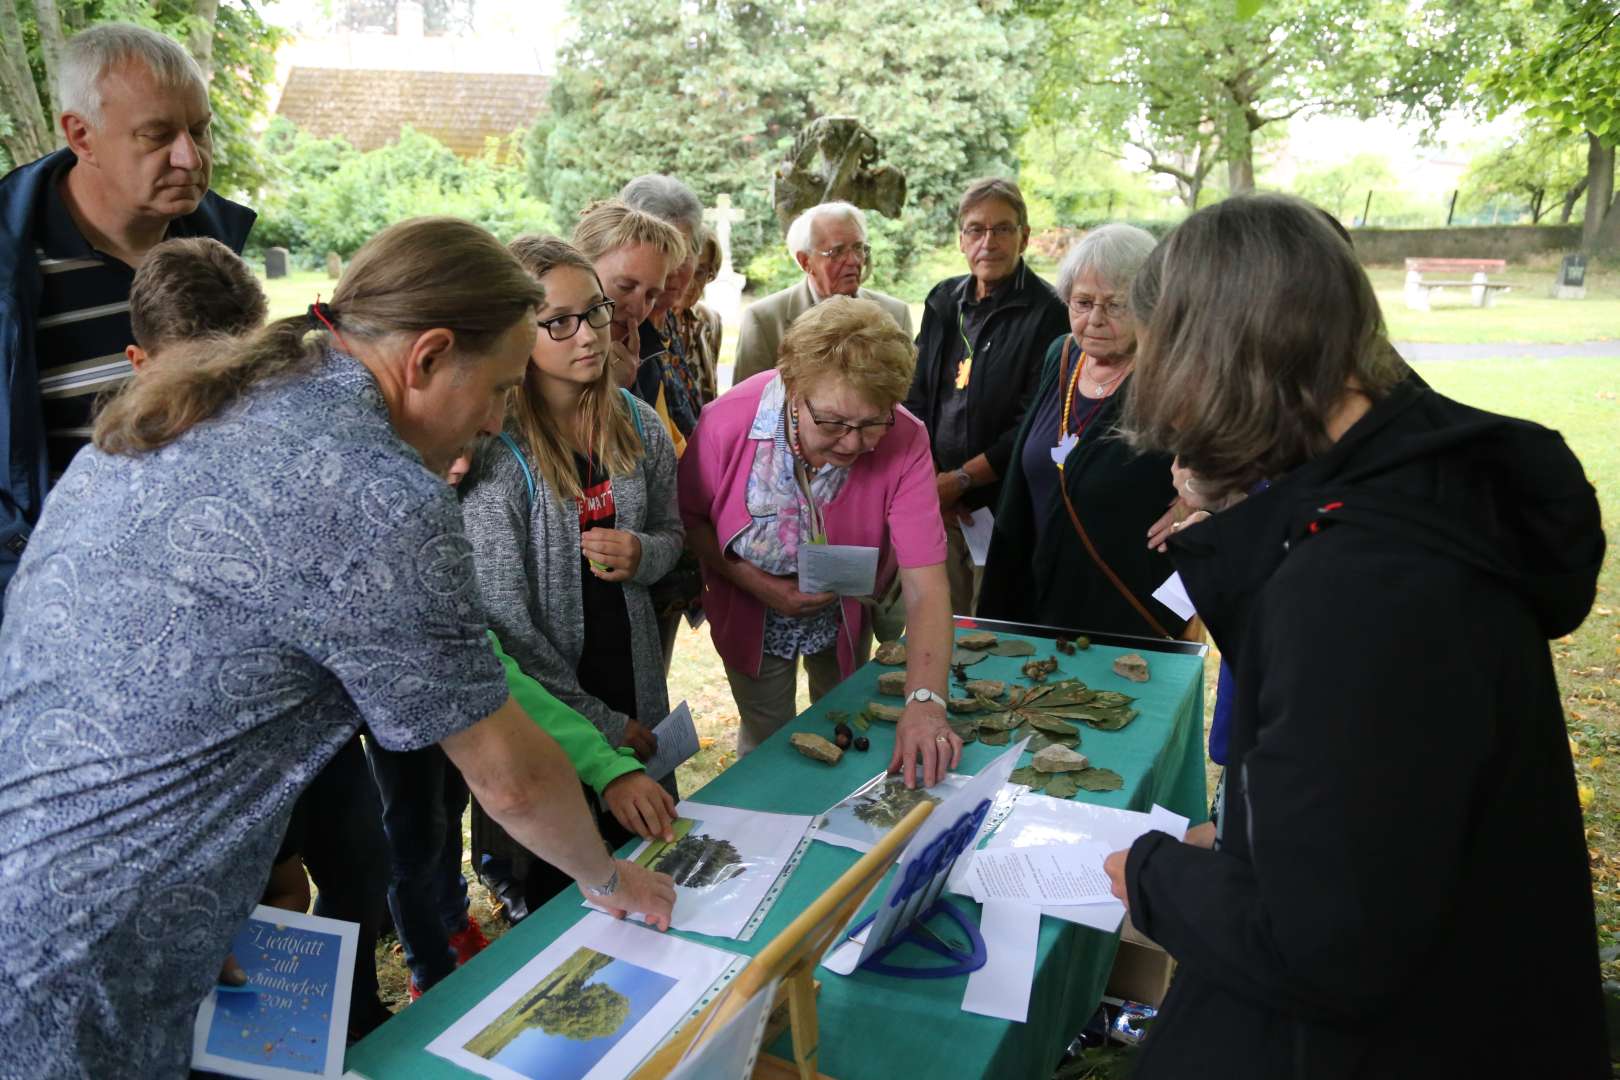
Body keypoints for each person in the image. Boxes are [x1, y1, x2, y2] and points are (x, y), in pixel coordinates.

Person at [0, 216, 674, 1077]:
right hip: (72, 965)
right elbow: (504, 772)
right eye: (502, 387)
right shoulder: (379, 496)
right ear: (427, 357)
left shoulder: (210, 400)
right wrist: (611, 882)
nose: (501, 417)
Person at [1097, 194, 1607, 1076]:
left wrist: (1150, 875)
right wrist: (1248, 842)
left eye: (1167, 351)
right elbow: (1383, 807)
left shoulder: (1361, 580)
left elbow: (1323, 945)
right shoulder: (1412, 497)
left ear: (1219, 358)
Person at [460, 235, 685, 917]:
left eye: (594, 312)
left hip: (636, 688)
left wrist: (645, 553)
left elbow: (677, 537)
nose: (587, 335)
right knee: (567, 902)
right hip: (549, 715)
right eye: (557, 323)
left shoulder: (640, 427)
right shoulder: (497, 462)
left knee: (656, 864)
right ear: (515, 336)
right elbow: (504, 630)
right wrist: (597, 723)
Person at [0, 23, 255, 604]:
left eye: (200, 130)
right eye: (158, 135)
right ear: (81, 136)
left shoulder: (218, 249)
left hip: (198, 586)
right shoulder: (10, 266)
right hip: (41, 598)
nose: (190, 157)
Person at [678, 296, 959, 786]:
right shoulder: (728, 421)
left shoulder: (906, 438)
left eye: (872, 423)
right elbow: (692, 521)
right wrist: (758, 584)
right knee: (769, 744)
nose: (852, 443)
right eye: (832, 423)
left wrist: (926, 703)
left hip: (843, 608)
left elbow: (925, 583)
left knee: (847, 721)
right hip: (750, 610)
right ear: (792, 387)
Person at [978, 224, 1187, 637]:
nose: (1094, 319)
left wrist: (1199, 499)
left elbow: (1233, 464)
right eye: (1082, 302)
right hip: (1037, 592)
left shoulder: (1173, 377)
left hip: (1127, 604)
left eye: (1115, 305)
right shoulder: (1062, 354)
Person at [906, 178, 1068, 617]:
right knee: (938, 620)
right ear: (961, 240)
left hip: (1003, 505)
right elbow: (917, 395)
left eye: (1003, 229)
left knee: (993, 627)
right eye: (976, 230)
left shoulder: (1050, 312)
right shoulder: (943, 300)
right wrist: (933, 480)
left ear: (1025, 237)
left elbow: (1034, 419)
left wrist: (961, 480)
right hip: (938, 502)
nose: (988, 242)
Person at [731, 202, 913, 383]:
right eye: (837, 251)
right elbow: (747, 404)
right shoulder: (765, 321)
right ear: (805, 261)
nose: (853, 260)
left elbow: (908, 400)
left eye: (858, 247)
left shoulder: (896, 315)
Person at [570, 199, 685, 411]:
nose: (638, 308)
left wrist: (624, 395)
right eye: (625, 286)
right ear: (579, 268)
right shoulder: (532, 348)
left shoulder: (645, 361)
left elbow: (645, 443)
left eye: (651, 295)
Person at [673, 225, 723, 404]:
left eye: (700, 272)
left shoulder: (708, 320)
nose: (689, 282)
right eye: (681, 267)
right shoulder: (645, 323)